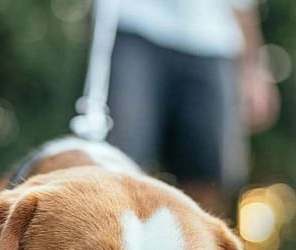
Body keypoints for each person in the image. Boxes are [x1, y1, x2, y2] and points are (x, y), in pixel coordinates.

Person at [106, 0, 279, 218]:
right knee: (119, 163)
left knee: (208, 179)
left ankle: (197, 249)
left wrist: (253, 70)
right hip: (133, 26)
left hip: (213, 41)